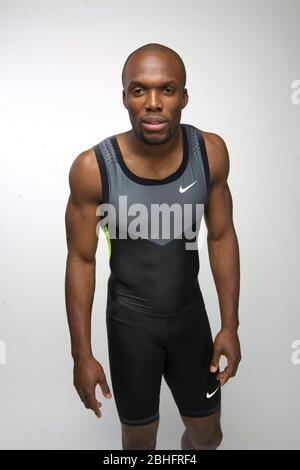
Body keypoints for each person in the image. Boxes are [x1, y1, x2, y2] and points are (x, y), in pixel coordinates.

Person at [64, 43, 241, 450]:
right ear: (125, 96)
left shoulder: (209, 153)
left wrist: (230, 325)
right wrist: (82, 355)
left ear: (184, 97)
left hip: (189, 322)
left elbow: (221, 235)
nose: (154, 103)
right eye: (139, 90)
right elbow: (80, 258)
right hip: (131, 326)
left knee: (207, 435)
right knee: (139, 443)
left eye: (167, 89)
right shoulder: (93, 168)